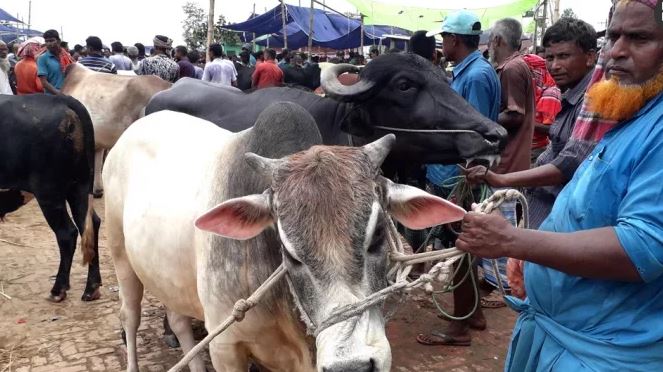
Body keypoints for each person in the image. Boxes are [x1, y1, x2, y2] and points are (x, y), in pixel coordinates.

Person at [457, 1, 663, 370]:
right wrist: (535, 254)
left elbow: (645, 246)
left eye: (640, 38)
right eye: (613, 36)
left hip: (603, 353)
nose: (616, 51)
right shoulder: (633, 112)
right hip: (566, 335)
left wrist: (513, 241)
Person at [467, 18, 598, 299]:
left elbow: (568, 163)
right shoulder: (571, 96)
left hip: (562, 217)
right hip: (545, 209)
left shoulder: (592, 101)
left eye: (563, 56)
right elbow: (557, 149)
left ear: (590, 57)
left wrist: (501, 175)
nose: (554, 65)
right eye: (550, 57)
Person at [416, 10, 501, 347]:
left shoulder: (475, 76)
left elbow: (475, 132)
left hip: (460, 177)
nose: (443, 45)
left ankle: (458, 329)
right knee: (465, 248)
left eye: (444, 39)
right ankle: (474, 314)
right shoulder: (472, 71)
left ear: (453, 39)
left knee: (460, 250)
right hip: (456, 174)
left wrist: (462, 186)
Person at [523, 53, 562, 162]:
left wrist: (524, 120)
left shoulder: (550, 93)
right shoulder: (530, 92)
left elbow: (551, 129)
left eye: (530, 72)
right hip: (524, 147)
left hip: (535, 151)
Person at [37, 29, 75, 95]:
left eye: (51, 40)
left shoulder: (66, 56)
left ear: (58, 41)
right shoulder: (42, 58)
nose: (49, 44)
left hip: (69, 94)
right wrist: (59, 94)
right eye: (46, 41)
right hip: (52, 98)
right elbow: (44, 82)